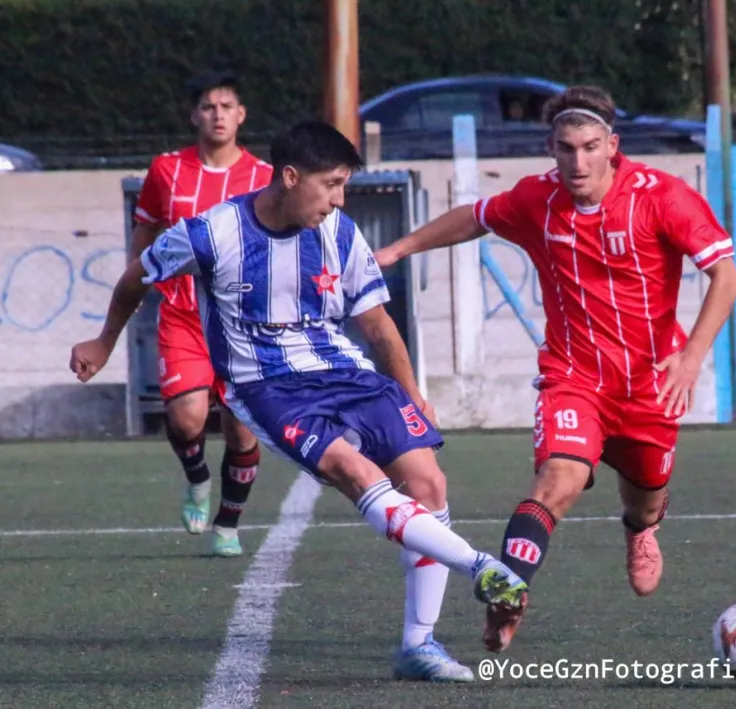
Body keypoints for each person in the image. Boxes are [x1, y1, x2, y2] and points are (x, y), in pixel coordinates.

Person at [70, 120, 527, 681]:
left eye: (343, 186)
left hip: (346, 373)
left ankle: (419, 645)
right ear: (290, 177)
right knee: (353, 470)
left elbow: (377, 325)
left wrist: (413, 395)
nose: (339, 199)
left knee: (428, 482)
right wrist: (103, 341)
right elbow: (135, 279)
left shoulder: (340, 232)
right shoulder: (211, 233)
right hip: (268, 386)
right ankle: (481, 566)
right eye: (331, 184)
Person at [376, 85, 736, 652]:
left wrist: (692, 357)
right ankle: (509, 594)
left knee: (644, 498)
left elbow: (727, 276)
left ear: (612, 146)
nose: (578, 161)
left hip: (650, 383)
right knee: (558, 480)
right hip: (573, 376)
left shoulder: (662, 196)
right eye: (566, 148)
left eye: (590, 146)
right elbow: (474, 218)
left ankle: (642, 529)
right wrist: (397, 251)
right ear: (551, 147)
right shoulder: (536, 199)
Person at [130, 70, 273, 556]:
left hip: (243, 322)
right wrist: (135, 280)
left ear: (241, 115)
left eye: (227, 106)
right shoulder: (166, 170)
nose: (218, 115)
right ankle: (197, 478)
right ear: (194, 116)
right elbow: (146, 230)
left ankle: (228, 525)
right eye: (209, 106)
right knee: (187, 418)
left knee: (241, 428)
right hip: (184, 313)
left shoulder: (263, 177)